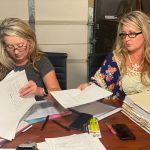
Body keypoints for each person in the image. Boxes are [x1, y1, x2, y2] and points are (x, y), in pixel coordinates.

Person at [79, 11, 150, 106]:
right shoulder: (116, 58)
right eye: (124, 34)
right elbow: (100, 83)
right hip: (124, 114)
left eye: (132, 33)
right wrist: (89, 87)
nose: (126, 39)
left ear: (145, 33)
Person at [0, 18, 61, 101]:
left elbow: (58, 95)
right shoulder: (2, 63)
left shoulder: (41, 61)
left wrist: (39, 91)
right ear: (4, 46)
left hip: (38, 111)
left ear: (30, 42)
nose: (16, 52)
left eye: (20, 45)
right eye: (10, 46)